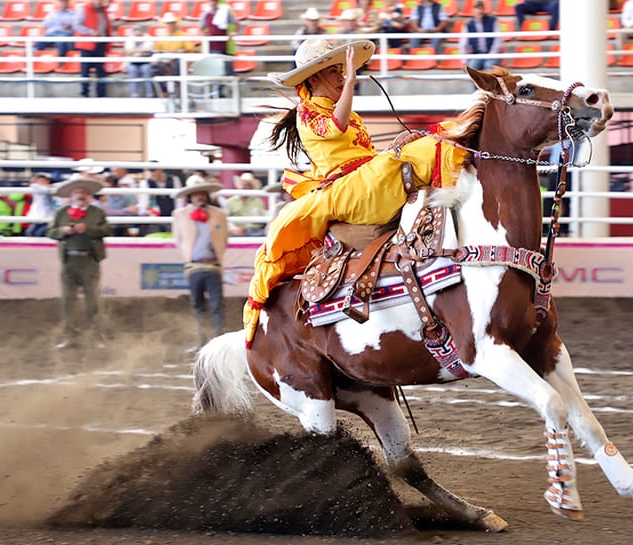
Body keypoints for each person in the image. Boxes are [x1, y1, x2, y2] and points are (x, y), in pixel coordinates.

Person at [241, 38, 468, 347]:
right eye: (334, 72)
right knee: (426, 150)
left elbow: (361, 153)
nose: (341, 77)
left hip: (361, 181)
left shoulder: (337, 109)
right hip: (346, 190)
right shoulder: (307, 112)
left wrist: (394, 146)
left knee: (418, 148)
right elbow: (336, 127)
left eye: (341, 72)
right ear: (315, 76)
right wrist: (350, 83)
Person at [46, 177, 112, 349]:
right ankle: (70, 336)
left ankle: (96, 335)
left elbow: (107, 230)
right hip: (68, 259)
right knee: (68, 299)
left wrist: (88, 229)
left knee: (93, 299)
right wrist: (63, 231)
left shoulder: (97, 212)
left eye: (83, 192)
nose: (80, 195)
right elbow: (50, 232)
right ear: (71, 195)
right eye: (76, 192)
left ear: (89, 195)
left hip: (89, 259)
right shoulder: (62, 212)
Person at [172, 182, 228, 352]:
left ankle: (218, 340)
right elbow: (178, 239)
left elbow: (224, 238)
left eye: (202, 193)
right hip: (194, 266)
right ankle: (201, 340)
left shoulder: (219, 214)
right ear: (190, 197)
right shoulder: (180, 215)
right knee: (198, 305)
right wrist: (187, 257)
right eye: (196, 194)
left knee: (216, 305)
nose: (200, 197)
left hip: (213, 265)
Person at [153, 12, 198, 98]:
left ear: (175, 24)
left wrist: (178, 52)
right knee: (155, 67)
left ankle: (178, 91)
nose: (170, 25)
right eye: (168, 24)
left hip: (180, 60)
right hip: (165, 62)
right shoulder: (162, 38)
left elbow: (190, 49)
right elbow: (157, 51)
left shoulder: (183, 36)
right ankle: (163, 91)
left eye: (171, 23)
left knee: (177, 65)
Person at [74, 0, 111, 98]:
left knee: (101, 71)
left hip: (100, 44)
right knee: (85, 71)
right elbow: (76, 25)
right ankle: (84, 94)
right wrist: (91, 32)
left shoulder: (104, 10)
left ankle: (101, 95)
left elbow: (106, 26)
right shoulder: (83, 9)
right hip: (87, 45)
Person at [139, 164, 182, 234]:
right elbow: (144, 201)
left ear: (160, 169)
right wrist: (142, 213)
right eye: (150, 171)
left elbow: (179, 199)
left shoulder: (174, 180)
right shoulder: (146, 183)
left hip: (171, 215)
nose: (152, 173)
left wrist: (178, 214)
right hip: (155, 217)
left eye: (154, 170)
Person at [460, 1, 502, 71]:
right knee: (472, 68)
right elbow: (463, 43)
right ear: (473, 10)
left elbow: (498, 40)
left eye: (480, 8)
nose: (479, 11)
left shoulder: (492, 21)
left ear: (483, 9)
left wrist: (492, 54)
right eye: (476, 8)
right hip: (477, 54)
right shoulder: (469, 24)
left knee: (488, 67)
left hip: (491, 53)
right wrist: (464, 61)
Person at [199, 0, 237, 77]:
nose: (213, 3)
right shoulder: (205, 14)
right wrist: (205, 33)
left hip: (226, 45)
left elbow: (236, 23)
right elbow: (202, 27)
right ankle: (217, 88)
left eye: (215, 1)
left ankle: (222, 87)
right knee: (218, 69)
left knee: (227, 70)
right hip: (212, 46)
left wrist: (233, 33)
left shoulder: (225, 11)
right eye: (211, 1)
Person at [225, 172, 267, 236]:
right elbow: (225, 219)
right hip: (235, 231)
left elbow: (261, 220)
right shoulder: (231, 201)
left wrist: (245, 228)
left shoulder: (258, 201)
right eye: (242, 184)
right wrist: (234, 229)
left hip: (253, 230)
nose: (244, 187)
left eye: (247, 185)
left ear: (251, 187)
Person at [124, 25, 155, 98]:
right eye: (136, 33)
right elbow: (128, 52)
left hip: (145, 61)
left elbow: (148, 52)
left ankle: (149, 93)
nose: (138, 35)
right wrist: (141, 50)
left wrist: (135, 51)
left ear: (142, 32)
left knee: (146, 69)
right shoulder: (130, 39)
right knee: (132, 69)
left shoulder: (148, 38)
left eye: (139, 33)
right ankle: (134, 94)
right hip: (133, 62)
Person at [26, 172, 57, 237]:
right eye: (39, 179)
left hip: (49, 217)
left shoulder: (54, 188)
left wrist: (50, 189)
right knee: (30, 232)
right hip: (38, 216)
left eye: (44, 179)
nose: (41, 181)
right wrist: (48, 189)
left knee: (39, 233)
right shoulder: (36, 187)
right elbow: (35, 186)